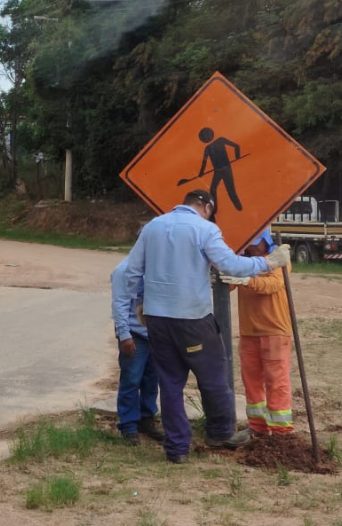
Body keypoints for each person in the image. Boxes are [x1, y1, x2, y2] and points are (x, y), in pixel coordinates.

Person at [124, 189, 291, 464]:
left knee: (170, 383)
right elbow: (229, 264)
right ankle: (219, 432)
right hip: (192, 318)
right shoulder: (205, 229)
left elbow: (132, 271)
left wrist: (140, 303)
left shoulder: (152, 227)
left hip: (157, 318)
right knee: (213, 376)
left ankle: (177, 450)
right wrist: (269, 262)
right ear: (206, 206)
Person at [220, 229, 294, 437]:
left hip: (275, 331)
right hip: (249, 332)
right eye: (250, 243)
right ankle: (257, 427)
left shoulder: (279, 259)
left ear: (266, 242)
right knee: (251, 381)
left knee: (276, 381)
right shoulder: (243, 262)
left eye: (257, 243)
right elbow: (227, 285)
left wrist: (247, 280)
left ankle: (281, 431)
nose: (253, 247)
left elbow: (272, 284)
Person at [111, 258, 165, 445]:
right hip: (134, 335)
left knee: (152, 379)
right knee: (132, 378)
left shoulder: (159, 267)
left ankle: (146, 418)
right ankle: (128, 425)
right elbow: (120, 304)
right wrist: (124, 335)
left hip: (156, 334)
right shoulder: (124, 271)